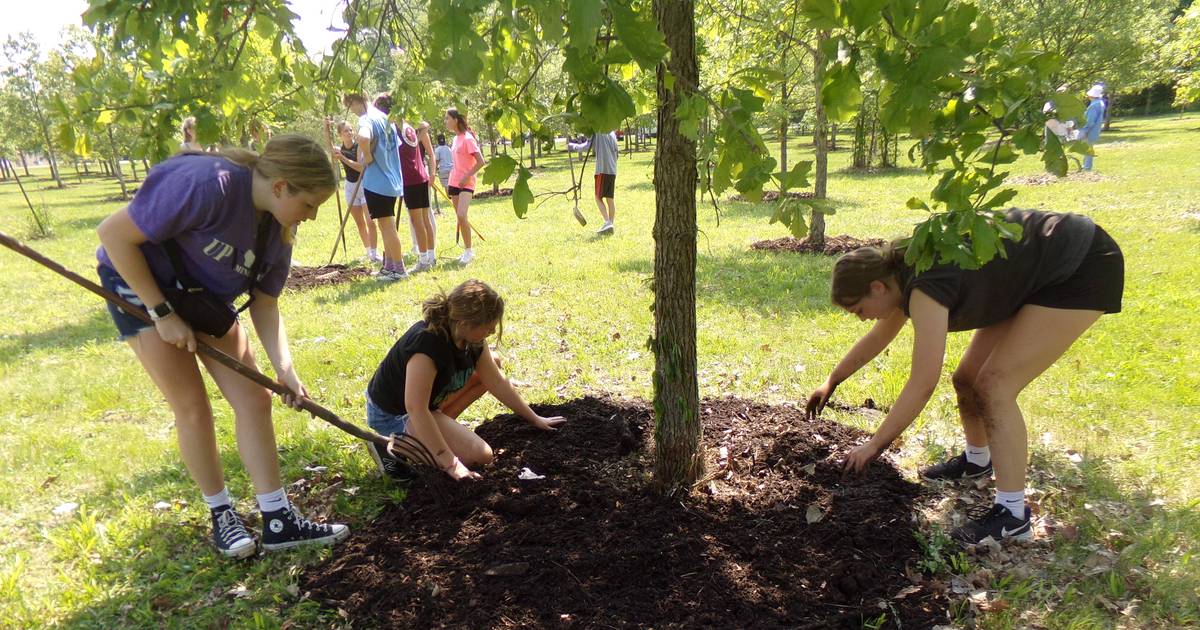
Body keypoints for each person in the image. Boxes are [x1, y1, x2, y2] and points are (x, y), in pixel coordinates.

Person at [95, 135, 350, 559]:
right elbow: (114, 235)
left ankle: (277, 519)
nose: (313, 215)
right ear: (281, 186)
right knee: (193, 406)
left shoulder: (278, 232)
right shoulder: (208, 185)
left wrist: (285, 368)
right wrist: (162, 313)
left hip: (202, 298)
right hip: (138, 285)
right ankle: (222, 514)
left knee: (255, 399)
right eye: (309, 204)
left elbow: (265, 305)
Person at [806, 209, 1123, 545]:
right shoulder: (903, 271)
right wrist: (833, 380)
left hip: (1078, 264)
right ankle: (977, 461)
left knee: (994, 386)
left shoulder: (923, 286)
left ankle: (1013, 515)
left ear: (877, 287)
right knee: (967, 379)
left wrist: (874, 445)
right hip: (1028, 276)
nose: (861, 319)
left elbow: (923, 381)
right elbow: (880, 337)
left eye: (858, 310)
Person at [363, 280, 568, 480]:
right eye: (488, 326)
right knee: (481, 456)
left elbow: (495, 381)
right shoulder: (427, 345)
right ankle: (393, 445)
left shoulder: (471, 339)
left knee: (492, 363)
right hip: (395, 415)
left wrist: (534, 418)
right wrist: (450, 463)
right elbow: (416, 408)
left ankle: (434, 433)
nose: (493, 332)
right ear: (464, 323)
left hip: (427, 406)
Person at [343, 92, 408, 281]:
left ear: (355, 102)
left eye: (350, 106)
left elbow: (363, 138)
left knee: (387, 227)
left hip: (378, 182)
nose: (352, 112)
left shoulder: (366, 119)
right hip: (392, 179)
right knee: (384, 225)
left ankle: (399, 269)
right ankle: (389, 267)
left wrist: (368, 157)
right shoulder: (385, 118)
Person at [330, 121, 380, 263]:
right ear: (340, 135)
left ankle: (375, 253)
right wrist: (326, 127)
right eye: (346, 131)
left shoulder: (359, 146)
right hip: (350, 186)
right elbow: (330, 147)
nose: (350, 133)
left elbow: (361, 167)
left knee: (371, 221)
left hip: (364, 184)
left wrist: (343, 158)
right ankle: (368, 250)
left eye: (351, 130)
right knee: (360, 223)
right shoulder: (339, 148)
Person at [445, 108, 486, 265]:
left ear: (456, 120)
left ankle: (469, 251)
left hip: (466, 183)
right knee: (460, 218)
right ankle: (465, 250)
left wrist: (467, 176)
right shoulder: (456, 139)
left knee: (462, 215)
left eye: (447, 118)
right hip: (454, 182)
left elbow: (481, 161)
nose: (445, 122)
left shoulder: (468, 139)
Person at [399, 120, 438, 272]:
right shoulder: (410, 130)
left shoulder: (415, 131)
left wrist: (433, 173)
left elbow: (431, 154)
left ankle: (427, 257)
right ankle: (427, 254)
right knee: (421, 220)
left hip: (417, 178)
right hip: (416, 178)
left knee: (421, 220)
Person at [568, 130, 619, 234]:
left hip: (602, 170)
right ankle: (610, 225)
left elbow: (587, 146)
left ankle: (607, 222)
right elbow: (616, 152)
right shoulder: (611, 132)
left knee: (598, 197)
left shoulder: (598, 131)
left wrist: (571, 146)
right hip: (612, 170)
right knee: (610, 199)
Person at [1079, 84, 1106, 171]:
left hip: (1090, 130)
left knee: (1088, 149)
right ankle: (1086, 166)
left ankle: (1087, 168)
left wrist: (1084, 131)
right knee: (1088, 149)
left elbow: (1090, 121)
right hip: (1095, 130)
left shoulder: (1094, 106)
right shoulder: (1100, 103)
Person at [433, 134, 454, 208]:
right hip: (451, 168)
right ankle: (454, 196)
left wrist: (434, 170)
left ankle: (449, 197)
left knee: (446, 184)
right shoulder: (448, 148)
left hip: (443, 169)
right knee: (452, 183)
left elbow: (437, 160)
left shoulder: (437, 150)